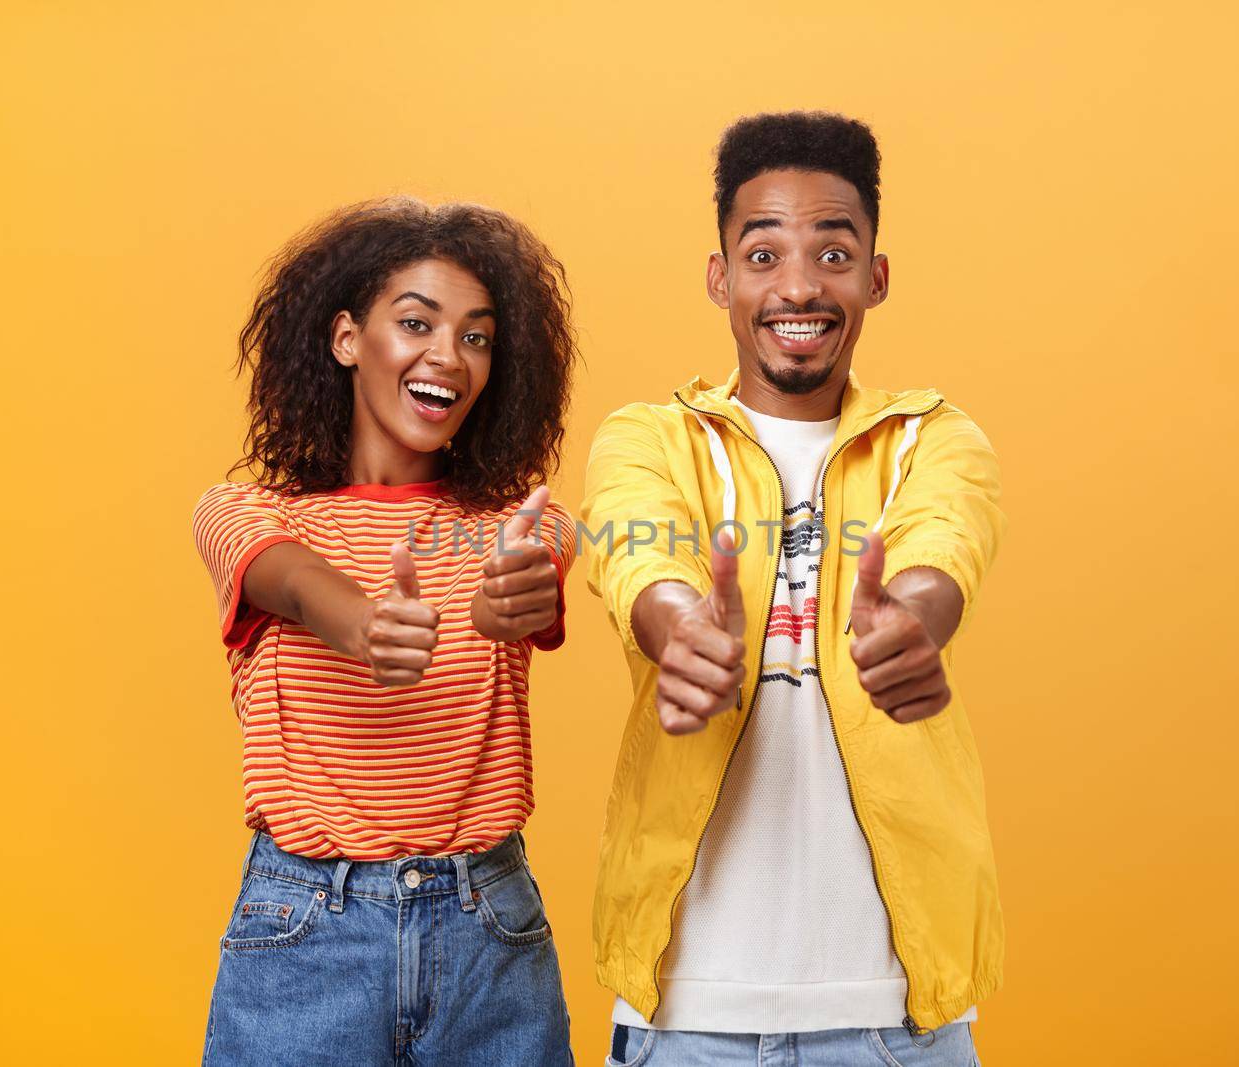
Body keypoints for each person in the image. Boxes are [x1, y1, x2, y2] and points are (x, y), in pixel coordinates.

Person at [582, 112, 1005, 1066]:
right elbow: (635, 554)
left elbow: (949, 541)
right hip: (684, 1019)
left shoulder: (934, 441)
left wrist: (919, 619)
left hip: (900, 1023)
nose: (800, 286)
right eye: (763, 253)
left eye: (834, 252)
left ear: (876, 279)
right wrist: (678, 628)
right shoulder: (650, 440)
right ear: (720, 277)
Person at [192, 199, 577, 1067]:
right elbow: (287, 578)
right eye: (416, 323)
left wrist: (512, 597)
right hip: (305, 932)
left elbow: (529, 585)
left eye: (477, 337)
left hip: (490, 931)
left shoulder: (522, 527)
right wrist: (364, 624)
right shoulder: (244, 511)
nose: (449, 355)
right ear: (344, 339)